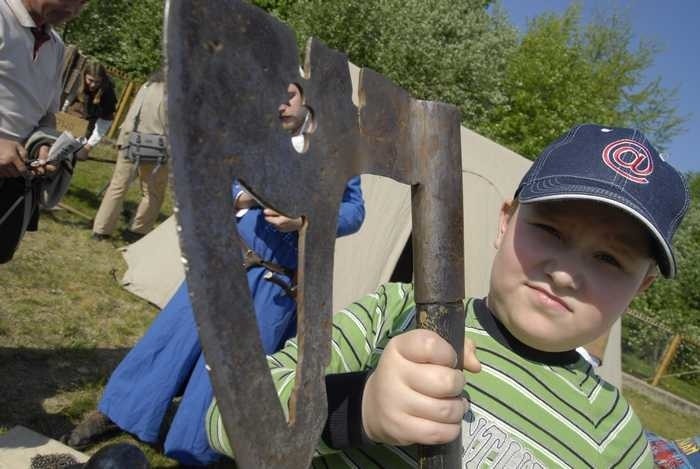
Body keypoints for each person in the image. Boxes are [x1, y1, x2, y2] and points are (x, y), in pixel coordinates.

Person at [206, 123, 690, 468]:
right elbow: (231, 418)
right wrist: (357, 410)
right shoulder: (393, 315)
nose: (565, 274)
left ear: (640, 287)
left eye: (610, 260)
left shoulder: (617, 440)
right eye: (551, 232)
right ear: (505, 221)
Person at [64, 83, 366, 466]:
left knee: (234, 369)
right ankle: (119, 413)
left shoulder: (338, 148)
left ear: (309, 98)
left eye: (288, 95)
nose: (280, 104)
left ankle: (195, 447)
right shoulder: (259, 133)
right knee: (173, 340)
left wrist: (303, 219)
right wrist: (247, 195)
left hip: (276, 280)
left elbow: (355, 211)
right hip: (227, 261)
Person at [0, 0, 89, 262]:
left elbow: (47, 114)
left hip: (12, 180)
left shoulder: (56, 46)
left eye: (84, 3)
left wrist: (44, 144)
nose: (74, 11)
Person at [91, 69, 167, 241]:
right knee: (152, 192)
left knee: (117, 186)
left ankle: (101, 230)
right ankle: (137, 231)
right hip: (158, 146)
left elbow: (133, 112)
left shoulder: (149, 83)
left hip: (130, 138)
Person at [64, 61, 117, 157]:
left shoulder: (108, 94)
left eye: (97, 82)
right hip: (66, 120)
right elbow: (67, 100)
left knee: (68, 159)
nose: (93, 85)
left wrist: (88, 147)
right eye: (90, 80)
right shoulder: (76, 80)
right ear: (84, 76)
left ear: (102, 80)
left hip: (85, 127)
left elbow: (105, 122)